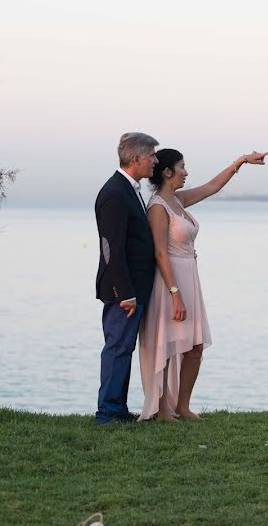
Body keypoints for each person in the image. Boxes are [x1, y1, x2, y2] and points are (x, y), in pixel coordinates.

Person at [139, 148, 268, 421]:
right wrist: (175, 294)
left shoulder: (178, 200)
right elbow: (160, 252)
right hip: (169, 283)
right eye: (182, 167)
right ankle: (162, 408)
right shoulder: (157, 207)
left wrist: (240, 162)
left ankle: (183, 405)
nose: (186, 172)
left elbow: (212, 187)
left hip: (190, 278)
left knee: (194, 347)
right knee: (168, 343)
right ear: (167, 172)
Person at [94, 132, 159, 425]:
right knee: (117, 347)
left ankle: (117, 408)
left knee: (124, 348)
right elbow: (112, 248)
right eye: (151, 156)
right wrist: (124, 293)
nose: (155, 161)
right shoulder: (114, 193)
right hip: (123, 290)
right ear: (136, 159)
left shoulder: (130, 189)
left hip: (135, 287)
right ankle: (108, 413)